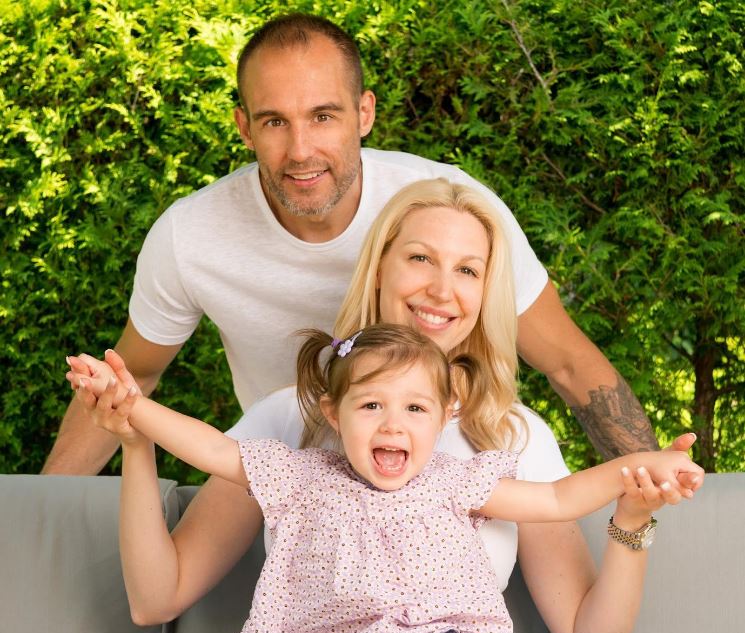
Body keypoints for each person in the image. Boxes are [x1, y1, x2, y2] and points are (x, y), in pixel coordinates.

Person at [69, 179, 698, 633]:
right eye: (421, 259)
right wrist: (136, 433)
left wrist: (632, 507)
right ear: (381, 267)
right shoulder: (294, 431)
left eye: (468, 270)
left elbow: (590, 628)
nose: (442, 289)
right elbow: (158, 593)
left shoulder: (505, 440)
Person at [45, 12, 664, 476]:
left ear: (363, 113)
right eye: (274, 122)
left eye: (323, 115)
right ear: (244, 127)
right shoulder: (191, 237)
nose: (301, 150)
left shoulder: (447, 210)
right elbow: (135, 377)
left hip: (442, 471)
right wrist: (34, 523)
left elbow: (569, 364)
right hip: (294, 487)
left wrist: (665, 496)